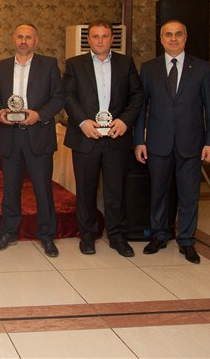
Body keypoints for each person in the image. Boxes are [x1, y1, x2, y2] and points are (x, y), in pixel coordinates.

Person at [134, 20, 210, 264]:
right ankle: (159, 235)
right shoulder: (149, 68)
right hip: (157, 143)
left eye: (178, 34)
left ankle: (187, 241)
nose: (173, 39)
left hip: (191, 144)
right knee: (158, 192)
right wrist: (139, 140)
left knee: (189, 195)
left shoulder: (201, 68)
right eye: (168, 35)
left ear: (185, 38)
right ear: (161, 39)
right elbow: (141, 108)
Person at [63, 20, 143, 256]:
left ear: (112, 39)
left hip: (116, 138)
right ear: (88, 39)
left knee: (116, 191)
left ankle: (117, 236)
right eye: (95, 36)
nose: (100, 40)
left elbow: (137, 94)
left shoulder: (125, 63)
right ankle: (87, 236)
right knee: (85, 191)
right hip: (86, 137)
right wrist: (82, 122)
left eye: (105, 36)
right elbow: (67, 96)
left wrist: (125, 120)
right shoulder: (74, 64)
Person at [0, 23, 65, 257]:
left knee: (43, 189)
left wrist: (39, 115)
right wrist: (1, 113)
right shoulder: (1, 66)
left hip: (38, 135)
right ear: (14, 39)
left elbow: (59, 97)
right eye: (20, 37)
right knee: (10, 188)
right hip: (11, 136)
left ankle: (47, 235)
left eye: (28, 37)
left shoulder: (49, 64)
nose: (24, 41)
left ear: (36, 41)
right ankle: (9, 232)